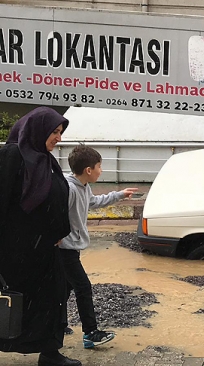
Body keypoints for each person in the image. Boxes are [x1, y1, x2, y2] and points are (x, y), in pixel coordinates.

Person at [0, 107, 81, 366]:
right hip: (14, 253)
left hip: (45, 251)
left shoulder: (47, 161)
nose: (58, 138)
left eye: (60, 132)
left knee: (53, 299)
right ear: (37, 130)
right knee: (9, 301)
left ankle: (49, 353)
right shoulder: (12, 155)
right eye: (54, 132)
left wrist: (58, 232)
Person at [59, 145, 137, 349]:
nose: (101, 170)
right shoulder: (69, 189)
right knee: (83, 287)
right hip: (64, 250)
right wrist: (57, 238)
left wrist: (119, 195)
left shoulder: (83, 186)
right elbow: (55, 215)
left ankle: (57, 325)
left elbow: (93, 202)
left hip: (71, 247)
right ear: (88, 170)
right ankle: (90, 333)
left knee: (65, 289)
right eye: (99, 166)